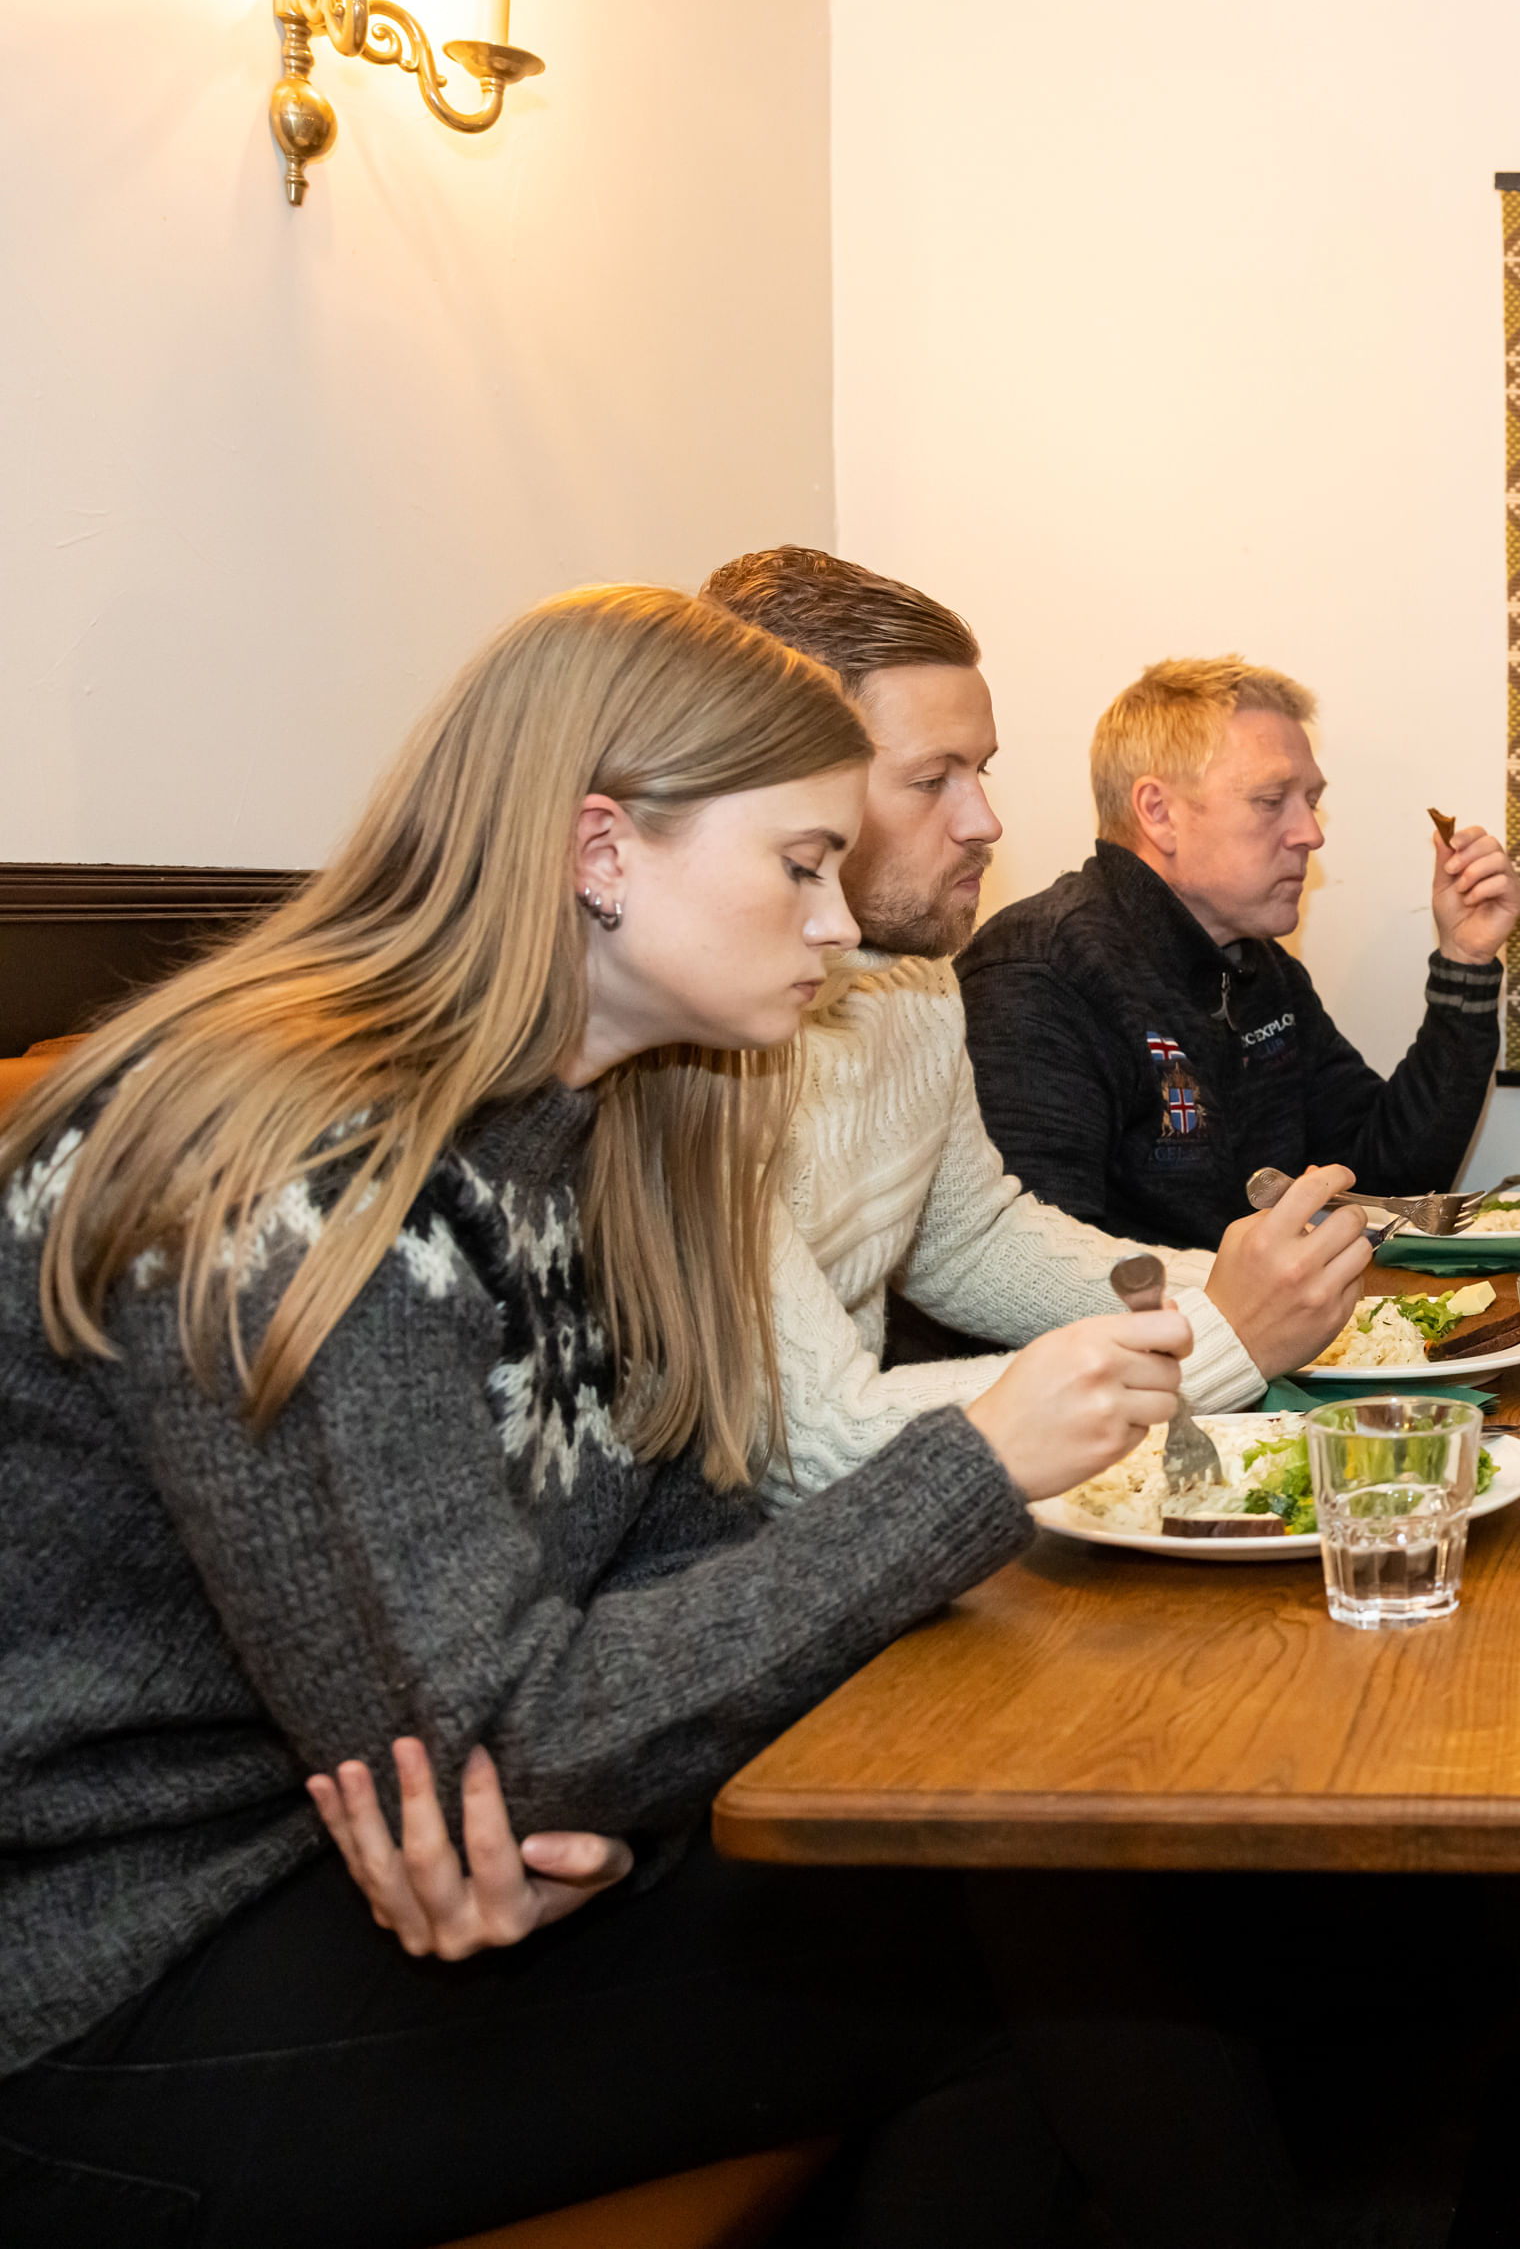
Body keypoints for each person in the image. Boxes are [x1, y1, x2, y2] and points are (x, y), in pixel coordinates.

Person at [0, 588, 1198, 2245]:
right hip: (107, 1977)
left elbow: (656, 1582)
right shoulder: (283, 1169)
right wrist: (975, 1466)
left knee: (1044, 1888)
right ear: (600, 849)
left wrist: (577, 1784)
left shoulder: (607, 1123)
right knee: (1026, 1979)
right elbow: (505, 1737)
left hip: (379, 1866)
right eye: (799, 864)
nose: (841, 924)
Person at [696, 549, 1367, 1497]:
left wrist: (1221, 1297)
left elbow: (971, 1238)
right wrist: (1221, 1339)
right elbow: (808, 1435)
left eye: (981, 771)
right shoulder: (698, 1049)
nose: (984, 821)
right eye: (933, 779)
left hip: (868, 1532)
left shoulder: (913, 985)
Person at [960, 655, 1519, 1250]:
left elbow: (1389, 1180)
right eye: (1272, 799)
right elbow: (1039, 1269)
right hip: (1145, 1338)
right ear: (1159, 813)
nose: (1311, 832)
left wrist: (1466, 963)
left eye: (1311, 800)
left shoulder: (1258, 969)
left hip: (1240, 1335)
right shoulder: (1037, 978)